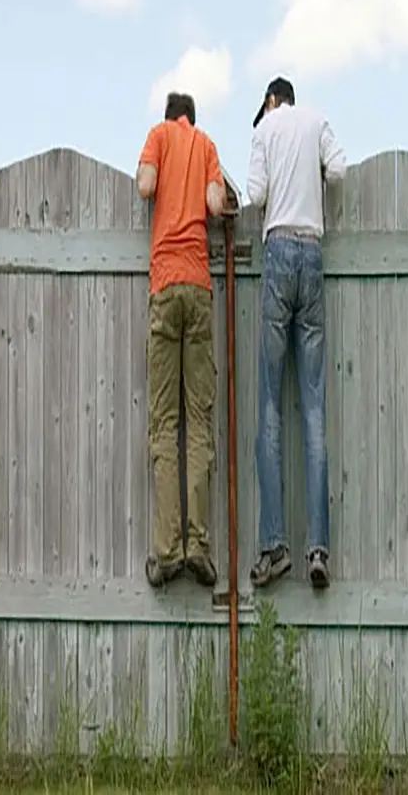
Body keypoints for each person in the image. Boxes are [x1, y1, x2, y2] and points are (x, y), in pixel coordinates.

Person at [245, 76, 346, 590]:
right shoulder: (318, 121)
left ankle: (274, 545)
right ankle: (318, 550)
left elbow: (256, 195)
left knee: (268, 404)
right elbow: (341, 168)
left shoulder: (266, 130)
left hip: (280, 250)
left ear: (269, 101)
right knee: (313, 408)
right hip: (313, 251)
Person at [136, 92, 228, 589]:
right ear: (192, 115)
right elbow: (216, 203)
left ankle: (167, 552)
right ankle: (200, 547)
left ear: (169, 113)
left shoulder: (157, 136)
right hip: (198, 286)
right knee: (198, 422)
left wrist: (151, 172)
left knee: (164, 421)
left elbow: (146, 186)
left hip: (165, 284)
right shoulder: (207, 144)